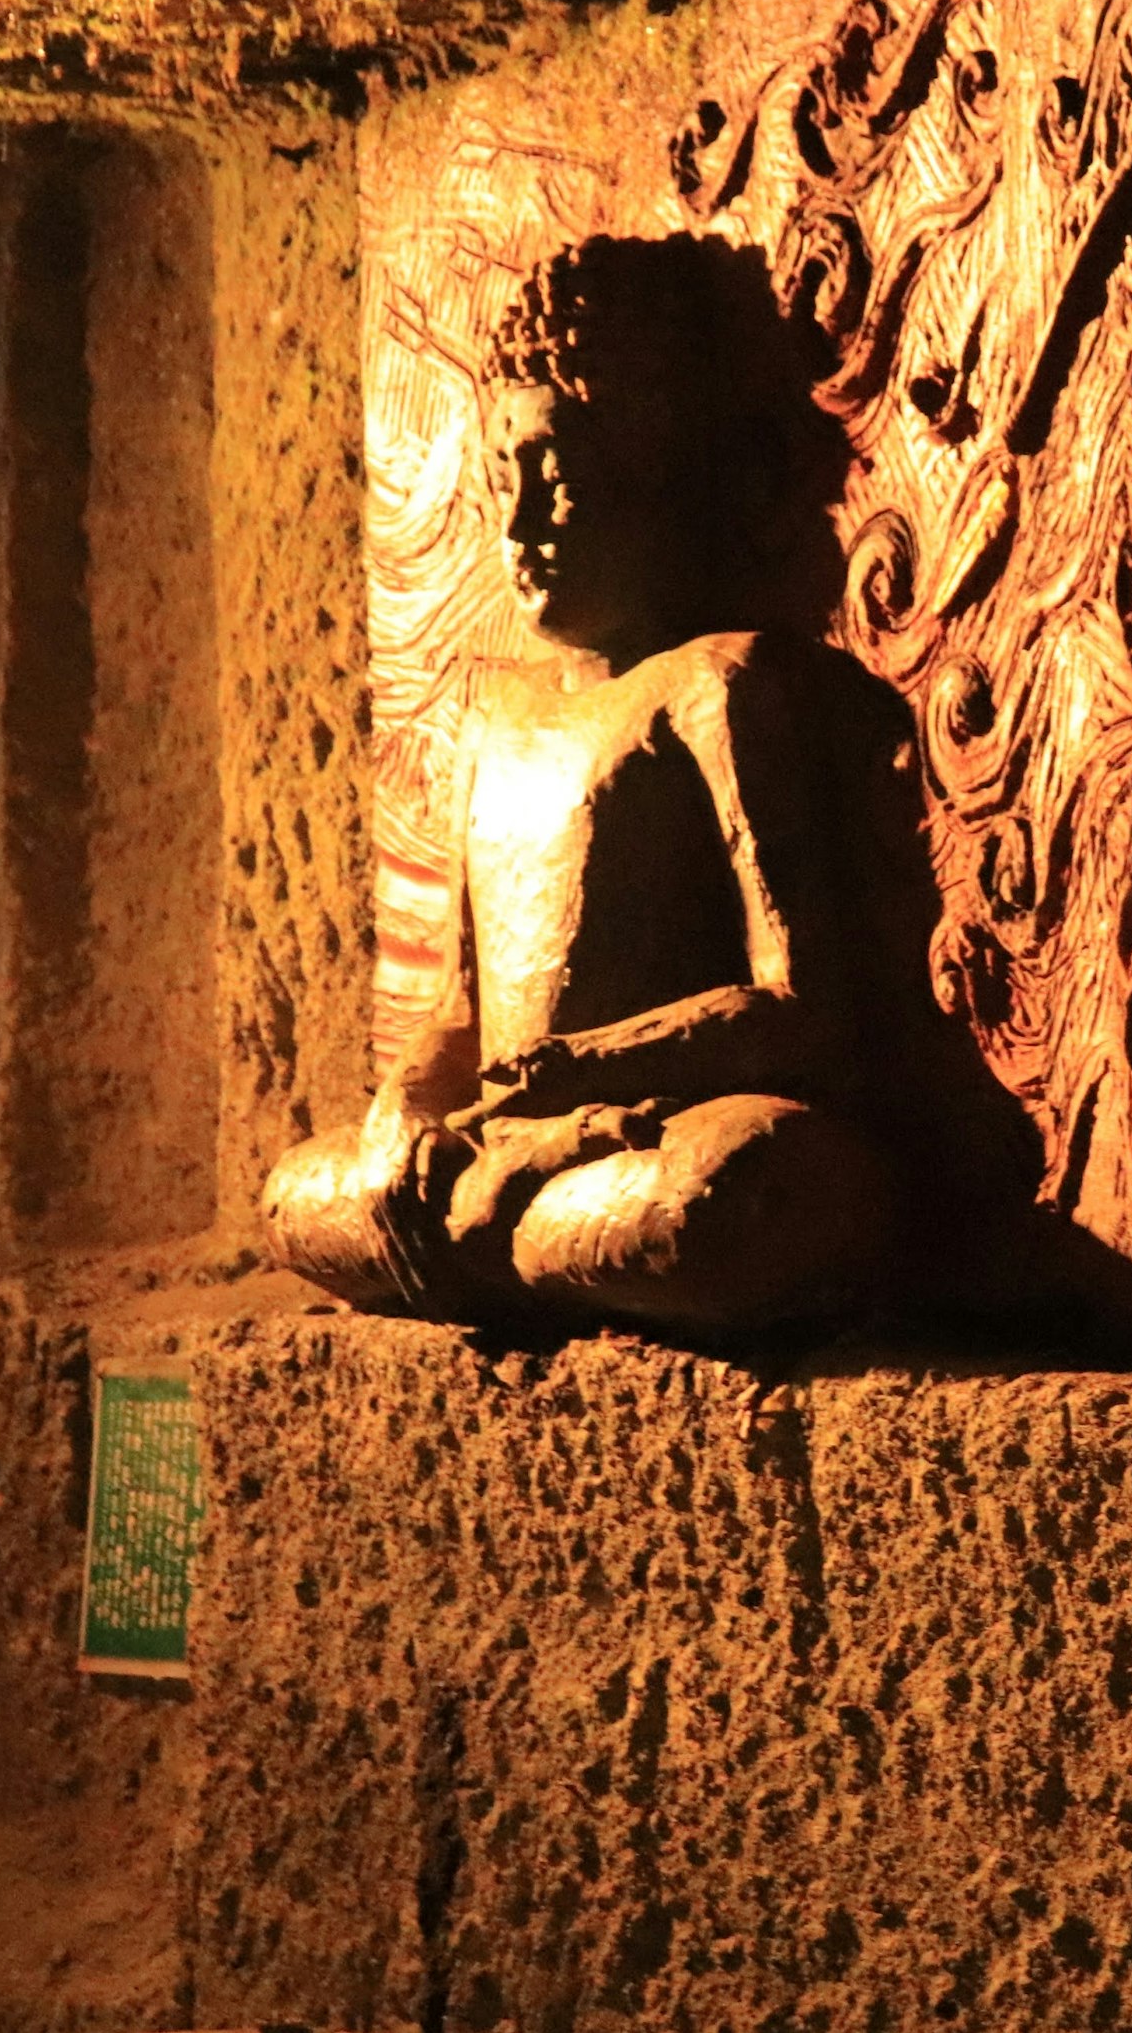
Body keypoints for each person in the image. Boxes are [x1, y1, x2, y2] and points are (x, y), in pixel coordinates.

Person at [262, 235, 893, 1331]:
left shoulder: (717, 682)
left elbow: (805, 1005)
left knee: (745, 1188)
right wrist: (404, 1121)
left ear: (667, 479)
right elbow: (459, 1017)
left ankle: (497, 1227)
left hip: (640, 1133)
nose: (520, 527)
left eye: (559, 477)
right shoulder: (494, 714)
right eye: (507, 479)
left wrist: (573, 1091)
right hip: (519, 1149)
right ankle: (483, 1223)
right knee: (300, 1197)